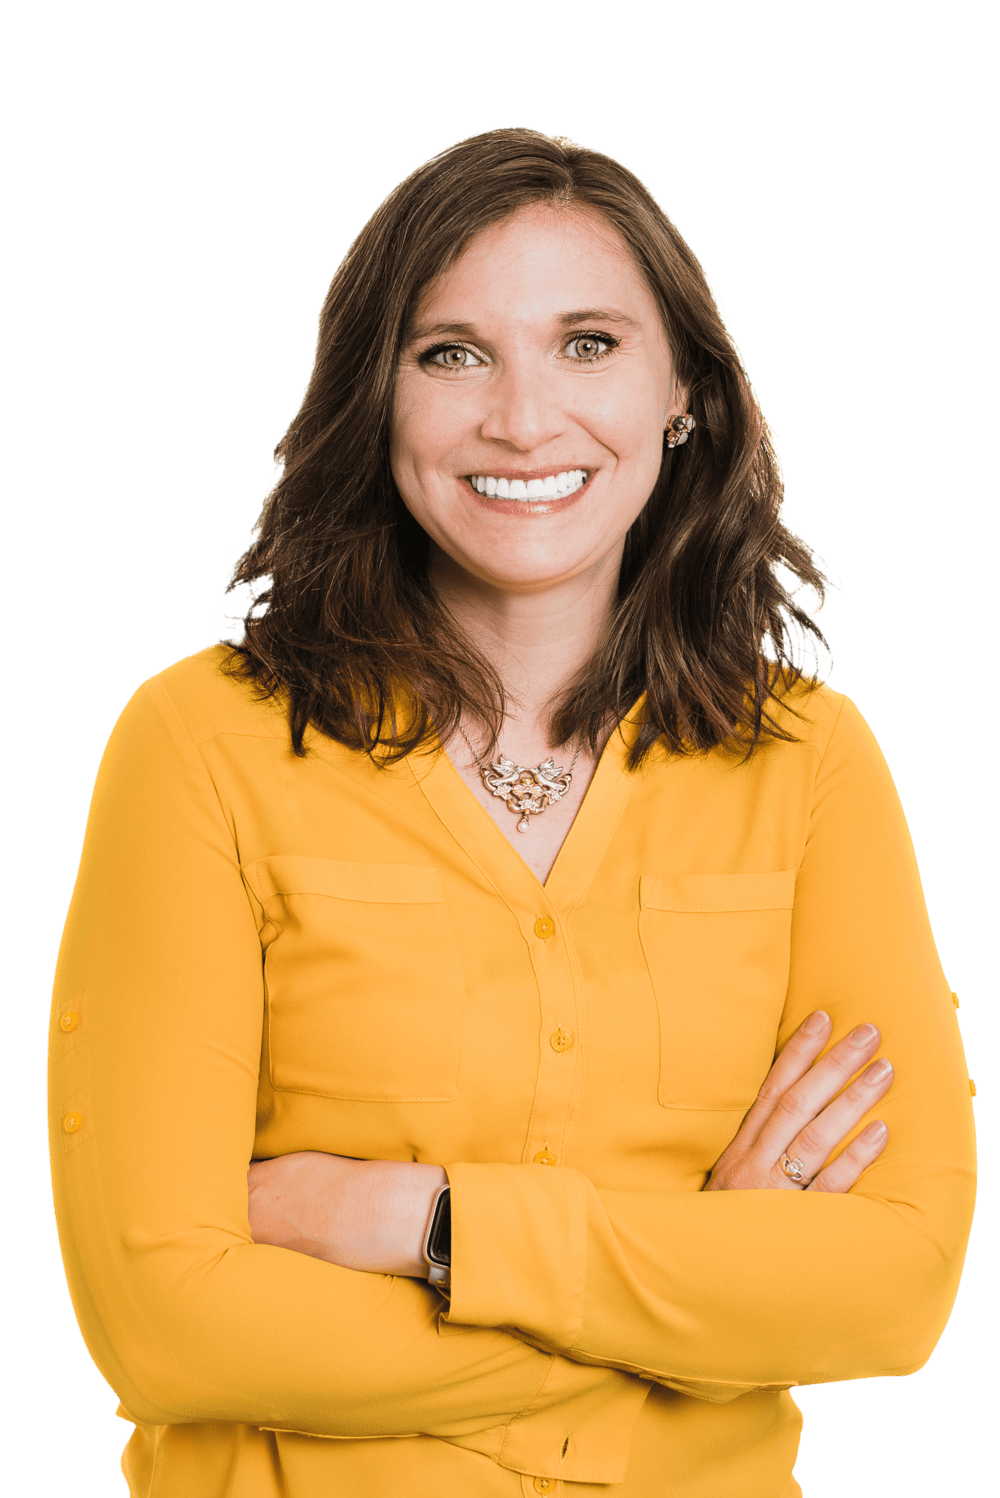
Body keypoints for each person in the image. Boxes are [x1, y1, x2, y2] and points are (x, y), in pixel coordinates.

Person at [47, 126, 977, 1498]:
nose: (525, 419)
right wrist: (696, 1289)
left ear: (686, 396)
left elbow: (897, 1288)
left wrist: (421, 1222)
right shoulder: (197, 749)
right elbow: (165, 1327)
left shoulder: (811, 763)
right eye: (451, 353)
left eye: (589, 343)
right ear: (378, 398)